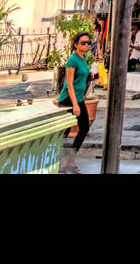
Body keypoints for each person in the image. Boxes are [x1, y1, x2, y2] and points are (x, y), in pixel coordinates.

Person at [58, 32, 93, 173]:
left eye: (88, 43)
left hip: (79, 98)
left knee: (84, 128)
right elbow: (69, 84)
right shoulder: (72, 60)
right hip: (69, 99)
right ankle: (58, 163)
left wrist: (91, 75)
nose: (86, 45)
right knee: (64, 132)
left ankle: (70, 161)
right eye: (83, 43)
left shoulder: (83, 58)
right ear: (76, 45)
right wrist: (75, 105)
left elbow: (82, 75)